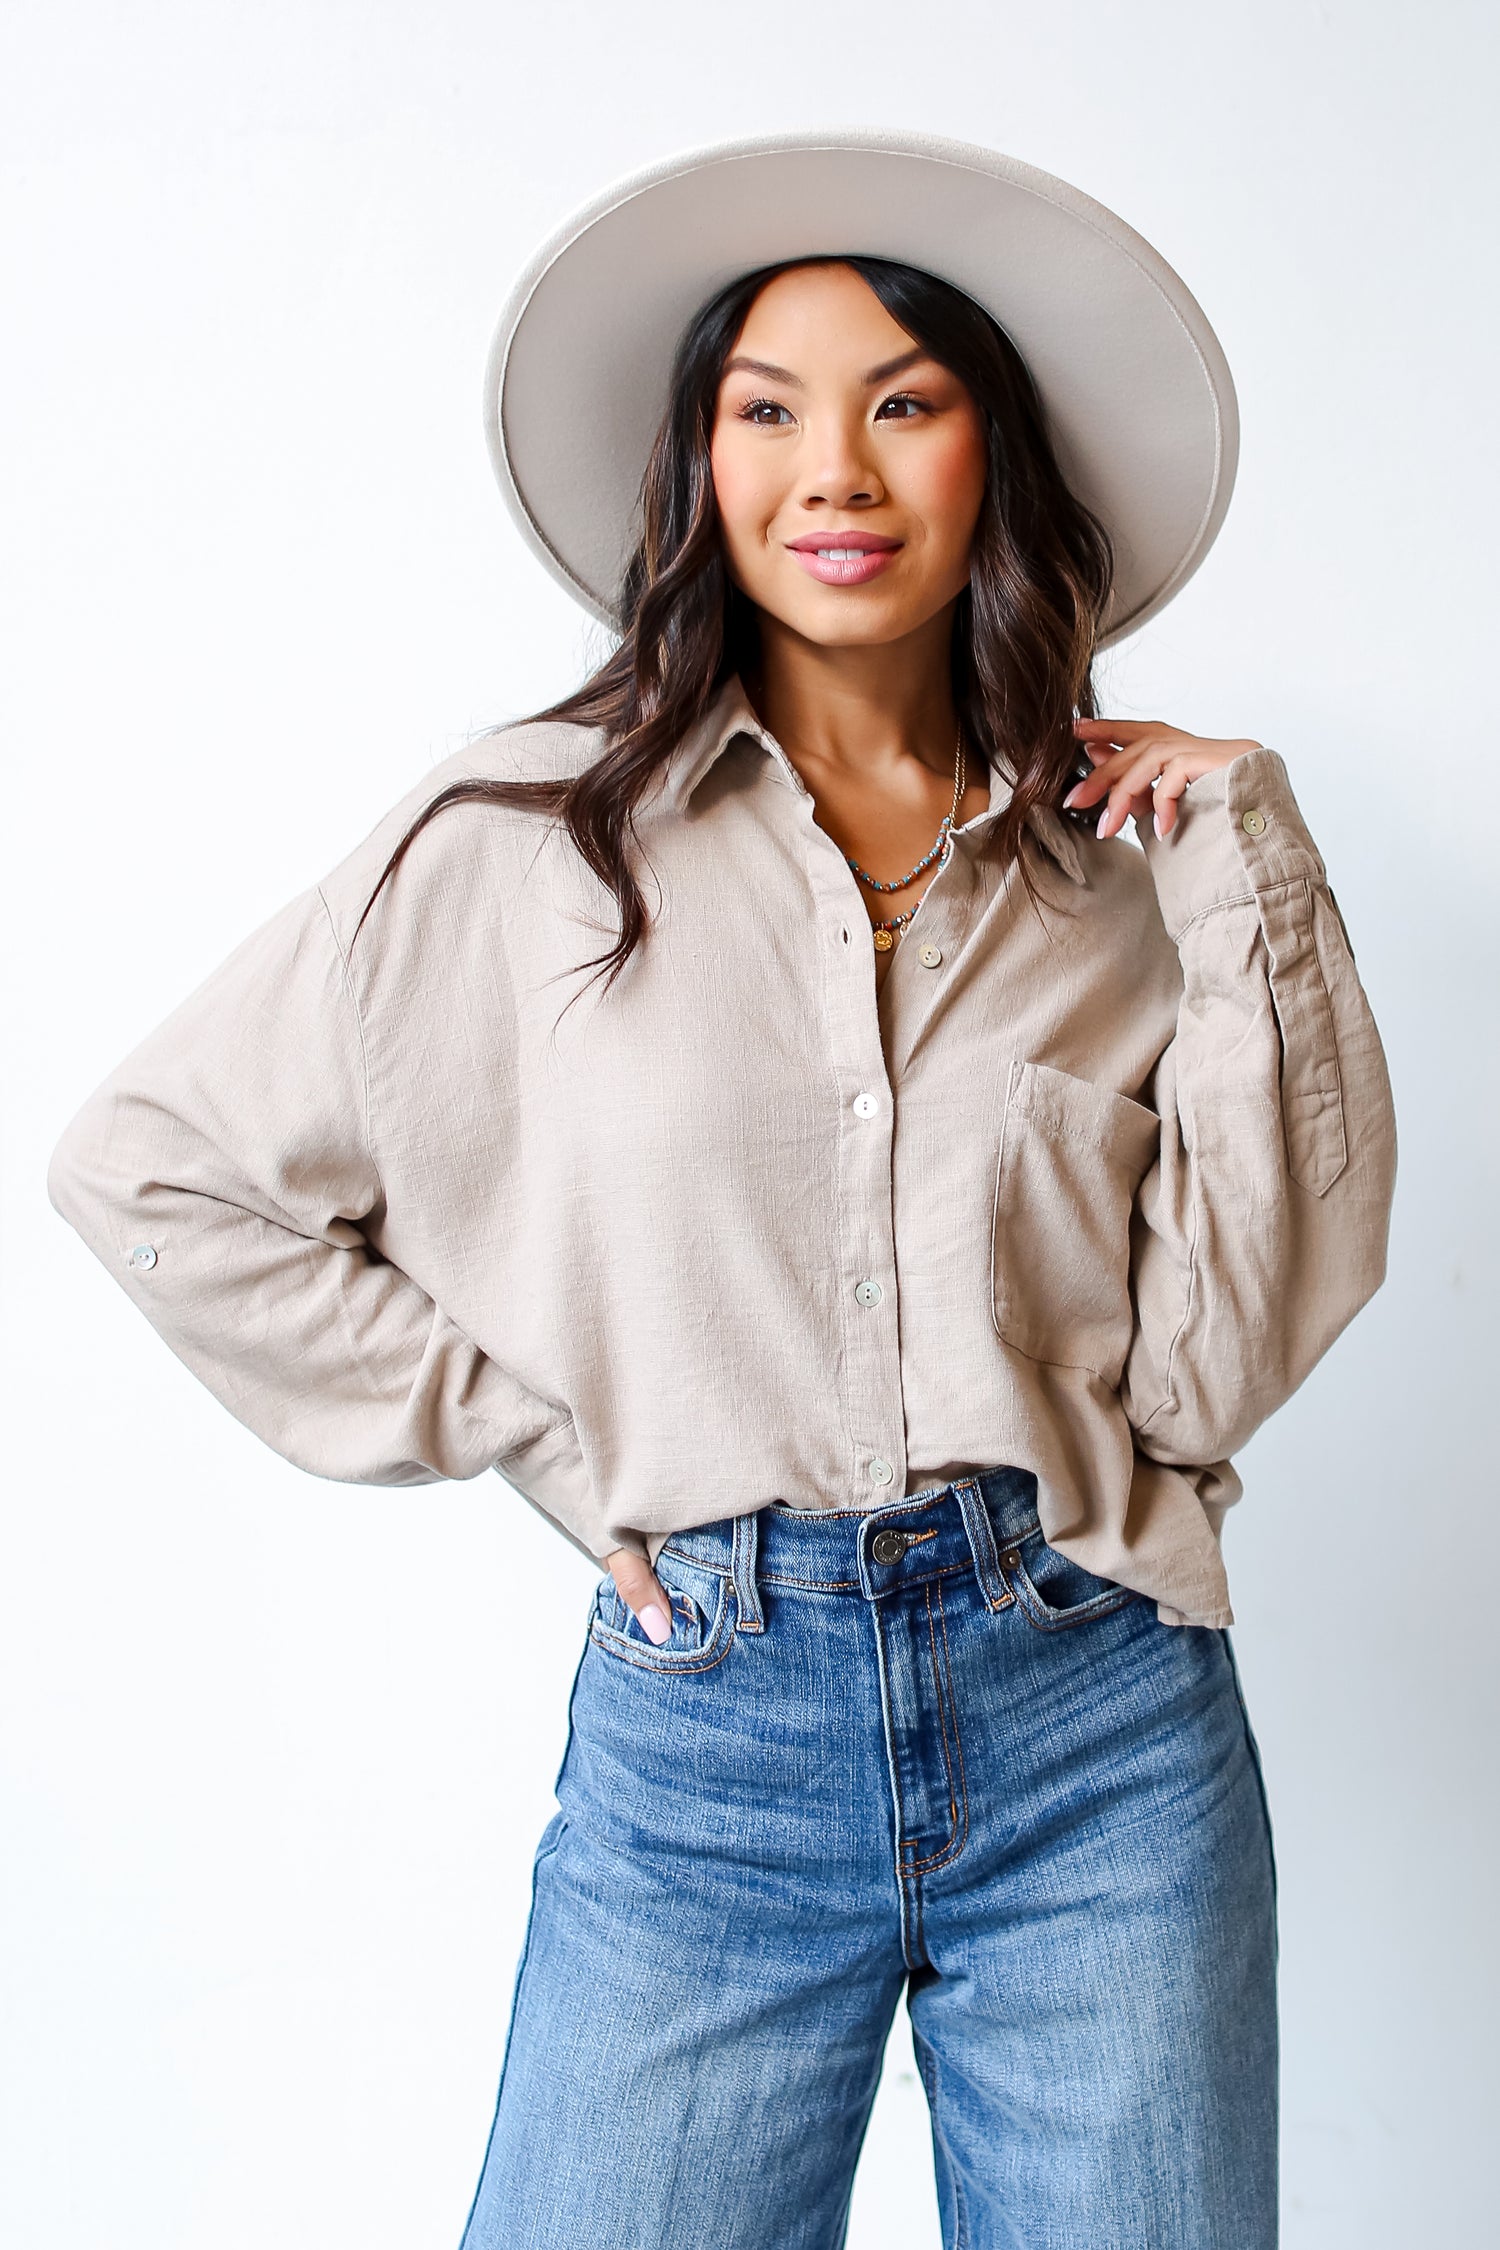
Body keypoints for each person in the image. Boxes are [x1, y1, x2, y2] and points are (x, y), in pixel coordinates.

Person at [48, 132, 1397, 2250]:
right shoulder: (519, 844)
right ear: (698, 470)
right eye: (765, 408)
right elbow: (157, 1170)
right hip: (710, 1749)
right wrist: (531, 1435)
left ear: (996, 461)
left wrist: (1251, 860)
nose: (834, 469)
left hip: (1102, 1726)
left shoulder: (1131, 890)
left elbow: (1225, 1363)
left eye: (905, 402)